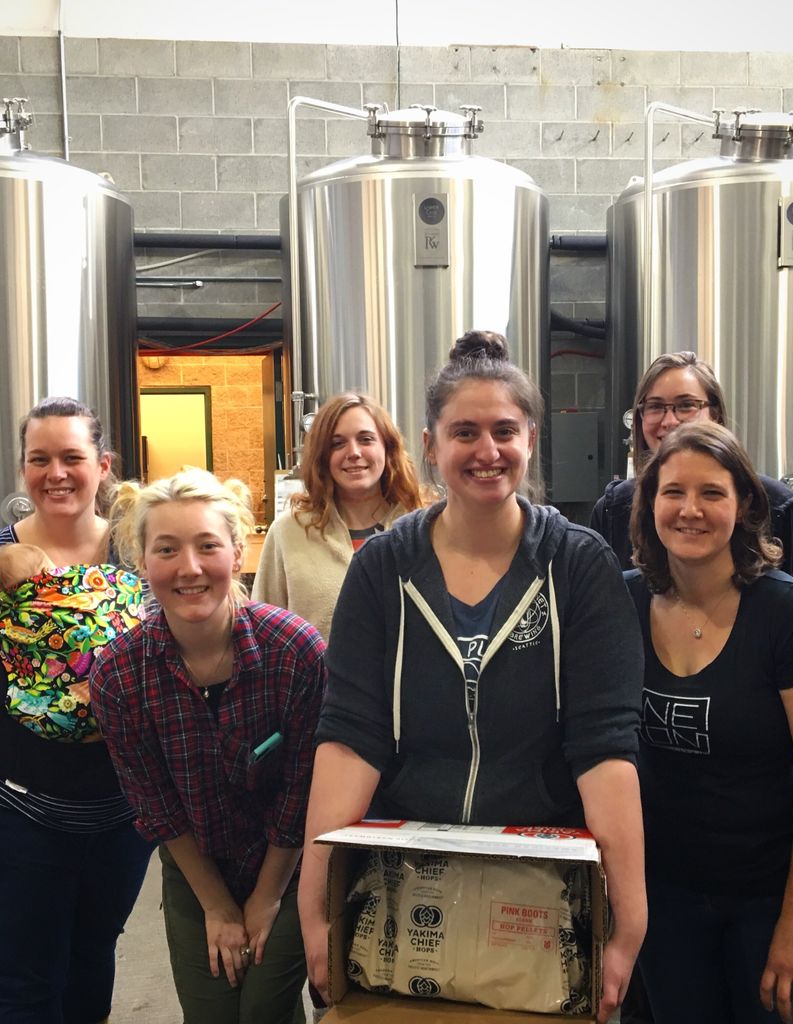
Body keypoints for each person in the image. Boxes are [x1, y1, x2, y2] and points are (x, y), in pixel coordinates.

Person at [297, 330, 647, 1024]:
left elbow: (604, 748)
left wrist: (627, 922)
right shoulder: (382, 571)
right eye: (464, 432)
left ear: (531, 437)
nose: (487, 451)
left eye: (504, 431)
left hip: (539, 895)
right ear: (430, 445)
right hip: (401, 888)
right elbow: (350, 740)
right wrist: (315, 906)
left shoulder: (579, 568)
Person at [0, 397, 154, 1024]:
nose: (57, 473)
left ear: (102, 466)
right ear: (23, 469)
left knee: (92, 966)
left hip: (119, 816)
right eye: (39, 459)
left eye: (72, 457)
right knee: (25, 990)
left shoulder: (144, 555)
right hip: (14, 813)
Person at [625, 421, 793, 1024]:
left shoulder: (788, 612)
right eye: (672, 492)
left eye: (712, 493)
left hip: (775, 895)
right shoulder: (622, 603)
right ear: (649, 503)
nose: (690, 510)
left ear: (745, 505)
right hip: (670, 898)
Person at [89, 468, 326, 1024]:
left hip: (287, 864)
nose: (189, 568)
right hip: (195, 865)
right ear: (143, 561)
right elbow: (155, 807)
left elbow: (300, 793)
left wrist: (266, 898)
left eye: (208, 545)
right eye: (166, 549)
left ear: (238, 551)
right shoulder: (120, 675)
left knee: (265, 1011)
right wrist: (217, 906)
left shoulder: (293, 651)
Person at [590, 351, 793, 602]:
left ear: (714, 414)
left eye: (686, 405)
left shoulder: (773, 504)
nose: (670, 421)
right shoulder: (613, 509)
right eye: (655, 406)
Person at [252, 391, 423, 642]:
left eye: (365, 439)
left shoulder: (422, 529)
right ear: (322, 456)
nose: (353, 452)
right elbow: (263, 632)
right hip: (318, 682)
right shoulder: (288, 533)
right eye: (337, 443)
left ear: (387, 448)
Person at [0, 543, 143, 743]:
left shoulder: (0, 612)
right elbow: (119, 588)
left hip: (48, 719)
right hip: (112, 701)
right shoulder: (69, 589)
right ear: (46, 573)